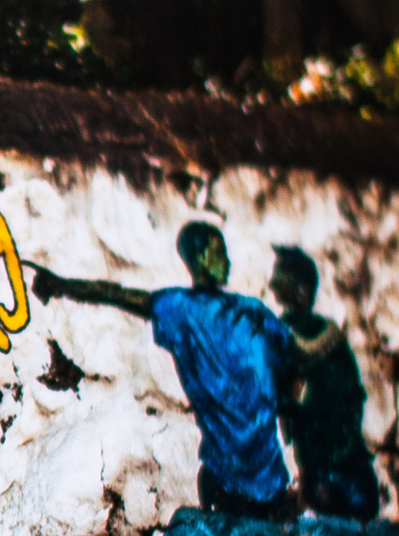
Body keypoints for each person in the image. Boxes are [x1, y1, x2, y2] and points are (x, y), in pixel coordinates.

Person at [35, 220, 300, 518]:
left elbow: (292, 360)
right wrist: (61, 286)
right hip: (231, 478)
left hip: (263, 476)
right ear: (201, 258)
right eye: (219, 252)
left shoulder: (249, 311)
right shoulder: (182, 309)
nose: (227, 261)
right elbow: (116, 294)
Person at [269, 246, 382, 519]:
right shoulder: (289, 335)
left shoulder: (301, 335)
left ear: (302, 289)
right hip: (324, 458)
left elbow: (350, 393)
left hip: (339, 454)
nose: (273, 285)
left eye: (281, 279)